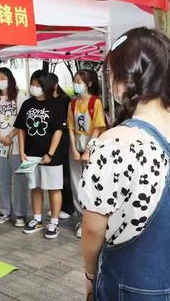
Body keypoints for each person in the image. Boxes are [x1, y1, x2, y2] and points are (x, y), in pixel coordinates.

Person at [80, 28, 170, 300]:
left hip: (130, 285)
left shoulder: (114, 142)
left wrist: (90, 273)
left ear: (124, 78)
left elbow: (92, 227)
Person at [15, 70, 67, 239]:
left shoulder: (56, 104)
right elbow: (21, 129)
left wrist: (50, 153)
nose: (34, 87)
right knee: (35, 186)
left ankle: (54, 222)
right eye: (33, 84)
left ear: (46, 85)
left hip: (51, 156)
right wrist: (22, 151)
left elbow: (59, 131)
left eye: (38, 84)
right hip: (30, 155)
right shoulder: (27, 104)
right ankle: (37, 219)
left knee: (53, 188)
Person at [67, 70, 107, 239]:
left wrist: (88, 150)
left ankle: (94, 220)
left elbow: (98, 127)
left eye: (79, 81)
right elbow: (70, 127)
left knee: (92, 184)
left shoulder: (95, 102)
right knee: (76, 184)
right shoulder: (73, 103)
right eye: (75, 81)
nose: (76, 84)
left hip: (92, 144)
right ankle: (81, 219)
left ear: (89, 84)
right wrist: (74, 149)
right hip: (76, 144)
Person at [0, 67, 29, 227]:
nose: (0, 81)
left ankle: (20, 214)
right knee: (2, 180)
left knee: (20, 180)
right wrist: (1, 137)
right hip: (0, 145)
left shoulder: (20, 96)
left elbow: (22, 120)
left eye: (3, 78)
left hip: (18, 144)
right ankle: (5, 211)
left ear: (10, 79)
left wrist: (11, 136)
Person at [50, 72, 74, 220]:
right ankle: (56, 206)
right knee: (54, 176)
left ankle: (68, 206)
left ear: (55, 85)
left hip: (63, 141)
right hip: (51, 141)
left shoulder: (65, 100)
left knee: (65, 175)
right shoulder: (47, 100)